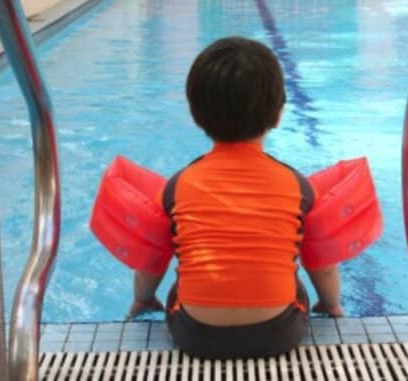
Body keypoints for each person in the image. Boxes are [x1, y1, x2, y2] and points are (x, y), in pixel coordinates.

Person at [128, 37, 343, 359]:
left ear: (194, 113)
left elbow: (151, 261)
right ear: (278, 115)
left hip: (195, 336)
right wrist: (331, 304)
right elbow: (322, 265)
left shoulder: (177, 186)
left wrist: (143, 300)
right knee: (292, 275)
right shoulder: (297, 186)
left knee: (180, 283)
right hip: (279, 334)